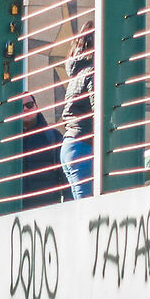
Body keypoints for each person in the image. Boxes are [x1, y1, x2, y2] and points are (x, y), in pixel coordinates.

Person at [58, 24, 97, 199]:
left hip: (70, 144)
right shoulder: (93, 72)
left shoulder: (78, 72)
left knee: (81, 205)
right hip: (83, 144)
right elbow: (98, 110)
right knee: (88, 208)